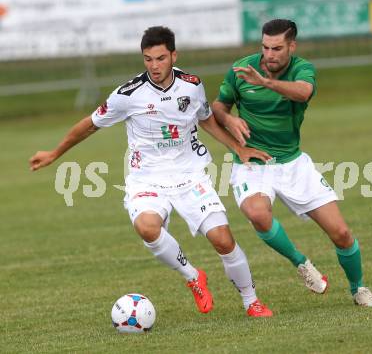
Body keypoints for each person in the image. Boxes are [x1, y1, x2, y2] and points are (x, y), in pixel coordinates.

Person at [29, 26, 273, 317]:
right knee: (147, 227)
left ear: (173, 55)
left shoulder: (192, 85)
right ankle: (193, 276)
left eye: (160, 58)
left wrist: (238, 148)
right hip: (146, 178)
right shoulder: (127, 94)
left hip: (190, 174)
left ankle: (251, 301)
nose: (154, 66)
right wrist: (55, 153)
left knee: (222, 238)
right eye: (148, 59)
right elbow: (90, 124)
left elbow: (205, 119)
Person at [212, 19, 372, 307]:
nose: (269, 54)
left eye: (277, 48)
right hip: (252, 162)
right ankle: (301, 264)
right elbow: (218, 106)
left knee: (341, 233)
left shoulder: (303, 69)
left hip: (293, 163)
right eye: (265, 47)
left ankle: (359, 289)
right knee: (257, 213)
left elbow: (303, 92)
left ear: (292, 46)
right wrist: (228, 119)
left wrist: (265, 82)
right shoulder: (242, 68)